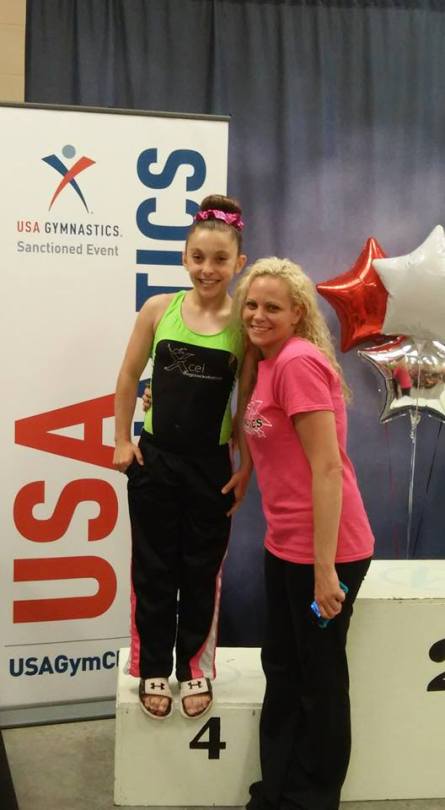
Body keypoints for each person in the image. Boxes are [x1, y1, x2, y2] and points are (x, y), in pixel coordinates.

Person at [233, 257, 375, 810]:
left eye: (272, 307)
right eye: (251, 304)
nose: (258, 315)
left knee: (319, 679)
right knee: (285, 670)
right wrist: (247, 468)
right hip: (284, 545)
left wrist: (324, 572)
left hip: (327, 552)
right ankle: (276, 792)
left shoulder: (296, 363)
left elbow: (328, 469)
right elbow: (266, 432)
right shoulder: (268, 362)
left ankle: (312, 799)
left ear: (297, 313)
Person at [113, 194, 249, 720]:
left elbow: (249, 405)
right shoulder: (159, 310)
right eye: (198, 257)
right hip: (155, 462)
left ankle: (194, 667)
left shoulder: (245, 324)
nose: (207, 269)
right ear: (184, 257)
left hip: (210, 468)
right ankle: (152, 665)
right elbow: (129, 376)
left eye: (219, 259)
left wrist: (246, 467)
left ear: (238, 263)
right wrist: (121, 439)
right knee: (153, 569)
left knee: (200, 570)